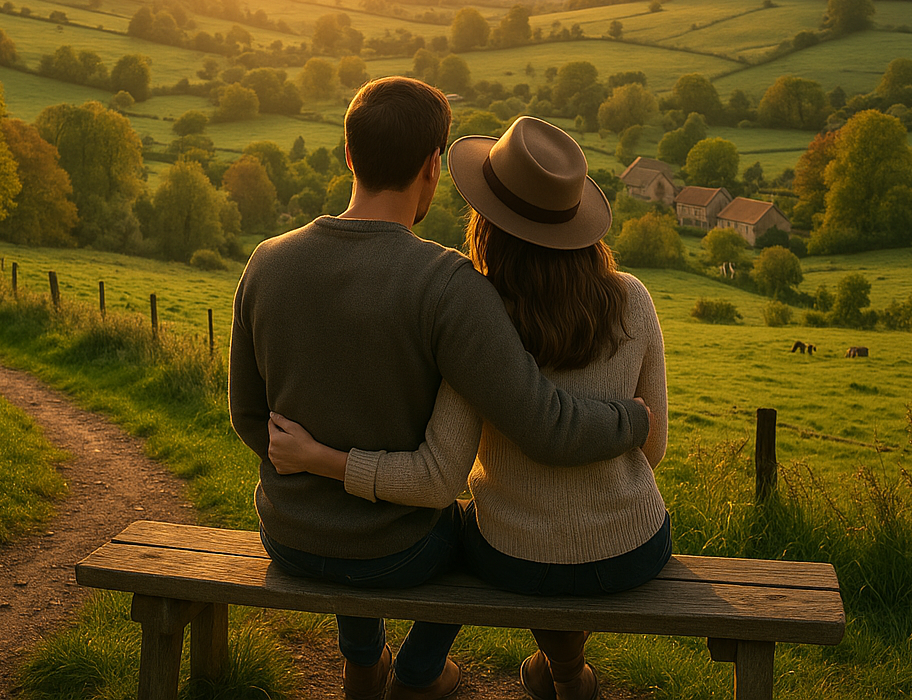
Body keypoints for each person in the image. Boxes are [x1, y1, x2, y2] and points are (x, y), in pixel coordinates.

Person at [229, 79, 652, 700]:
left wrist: (309, 468)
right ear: (433, 166)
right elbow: (542, 422)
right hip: (398, 550)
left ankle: (361, 664)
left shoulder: (266, 261)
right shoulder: (448, 285)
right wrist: (632, 421)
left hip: (287, 535)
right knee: (462, 530)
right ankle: (421, 675)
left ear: (349, 156)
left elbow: (246, 416)